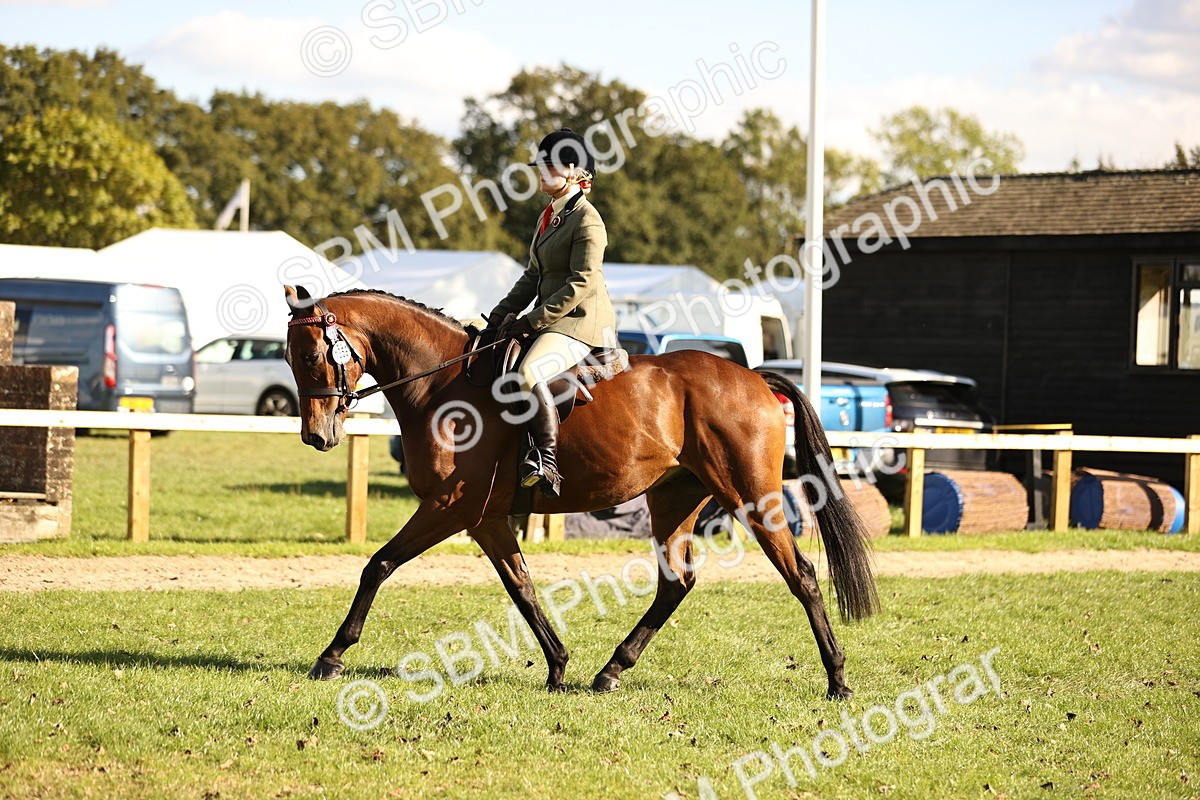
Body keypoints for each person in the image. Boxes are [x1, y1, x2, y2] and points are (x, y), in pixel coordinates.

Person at [487, 128, 616, 497]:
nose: (541, 173)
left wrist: (531, 321)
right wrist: (501, 314)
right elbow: (533, 275)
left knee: (529, 371)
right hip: (553, 321)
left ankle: (546, 461)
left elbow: (582, 282)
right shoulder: (549, 215)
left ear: (576, 173)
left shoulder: (587, 220)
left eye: (550, 166)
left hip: (581, 323)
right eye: (540, 166)